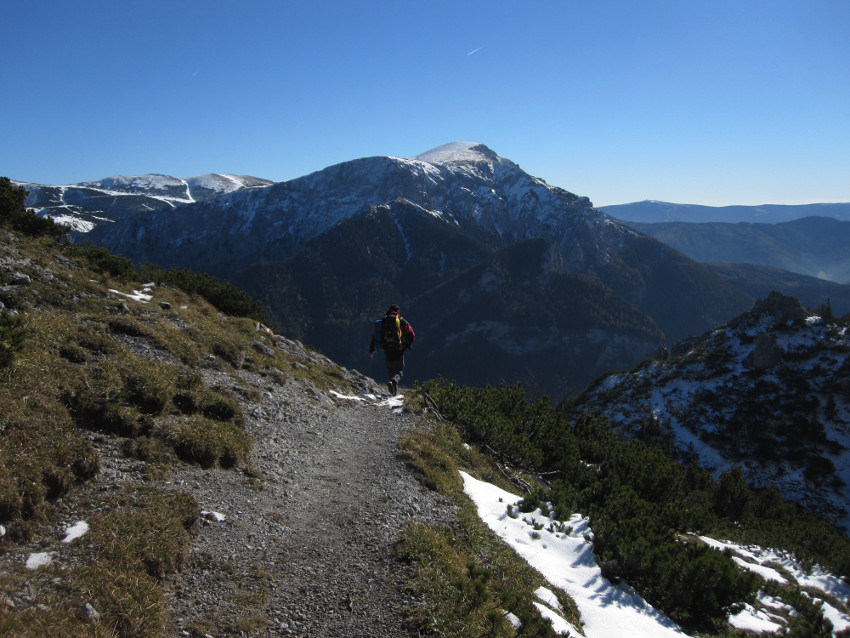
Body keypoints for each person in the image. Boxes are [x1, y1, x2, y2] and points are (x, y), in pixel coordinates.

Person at [369, 304, 415, 395]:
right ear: (398, 312)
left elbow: (375, 336)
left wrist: (371, 349)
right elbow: (412, 334)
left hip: (387, 349)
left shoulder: (383, 321)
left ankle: (393, 392)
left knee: (391, 369)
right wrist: (407, 345)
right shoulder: (402, 322)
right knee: (399, 370)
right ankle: (393, 382)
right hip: (399, 349)